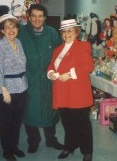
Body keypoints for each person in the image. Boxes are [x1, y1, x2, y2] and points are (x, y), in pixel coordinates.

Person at [17, 4, 64, 153]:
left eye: (40, 16)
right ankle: (33, 141)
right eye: (34, 16)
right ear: (29, 17)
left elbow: (60, 55)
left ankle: (51, 140)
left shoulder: (52, 33)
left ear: (45, 18)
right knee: (30, 111)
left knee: (49, 110)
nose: (37, 19)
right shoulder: (21, 33)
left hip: (49, 78)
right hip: (29, 78)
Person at [47, 19, 94, 161]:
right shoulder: (57, 49)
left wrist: (70, 74)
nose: (67, 34)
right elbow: (51, 66)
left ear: (76, 32)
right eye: (64, 31)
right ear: (61, 33)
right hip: (62, 93)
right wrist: (51, 73)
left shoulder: (83, 46)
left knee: (82, 125)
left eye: (70, 31)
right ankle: (69, 146)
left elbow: (88, 66)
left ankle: (87, 152)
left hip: (78, 94)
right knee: (67, 123)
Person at [0, 14, 28, 161]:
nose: (11, 30)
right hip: (6, 90)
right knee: (6, 122)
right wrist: (4, 90)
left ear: (17, 28)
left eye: (13, 26)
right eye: (7, 27)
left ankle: (14, 146)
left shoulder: (18, 42)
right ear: (2, 31)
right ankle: (7, 150)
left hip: (22, 88)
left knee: (17, 121)